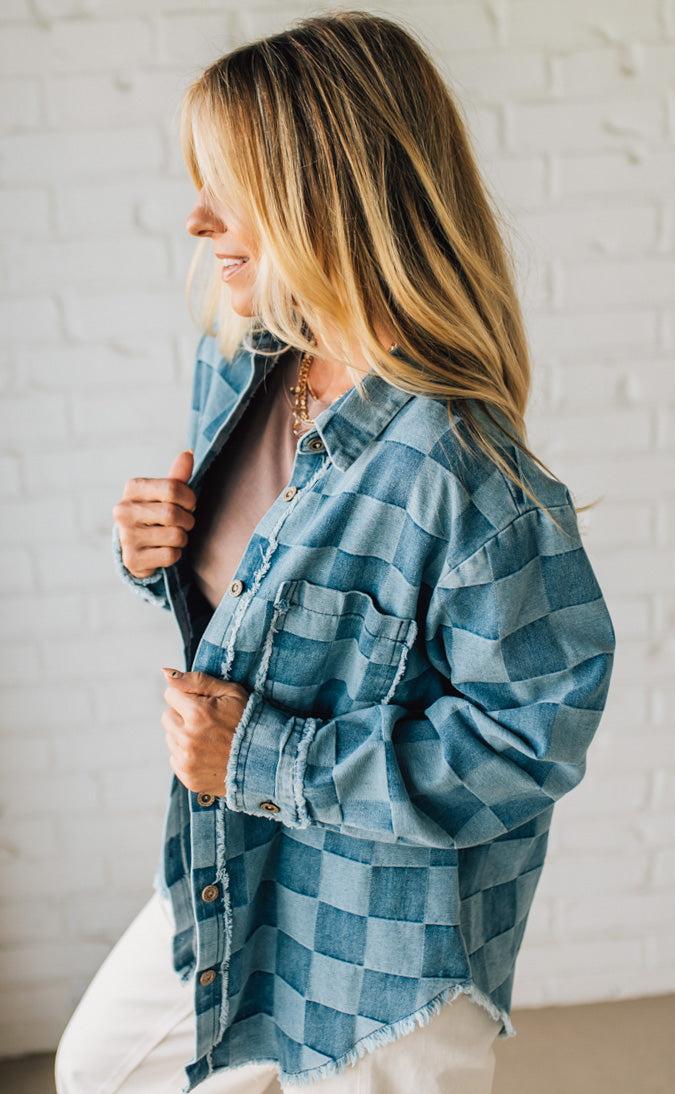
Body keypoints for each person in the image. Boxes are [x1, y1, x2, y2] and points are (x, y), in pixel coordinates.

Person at [55, 10, 616, 1094]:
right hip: (239, 870)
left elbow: (530, 744)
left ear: (329, 199)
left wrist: (259, 757)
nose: (196, 216)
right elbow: (265, 609)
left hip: (386, 950)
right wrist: (153, 553)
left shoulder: (468, 479)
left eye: (229, 186)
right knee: (96, 1068)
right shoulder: (247, 365)